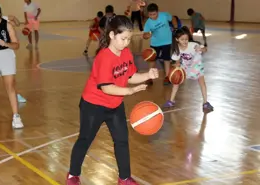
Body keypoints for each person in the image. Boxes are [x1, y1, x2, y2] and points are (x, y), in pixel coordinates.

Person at [66, 15, 159, 185]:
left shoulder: (126, 53)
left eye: (129, 39)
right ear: (111, 35)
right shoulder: (104, 57)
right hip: (93, 105)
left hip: (115, 105)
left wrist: (147, 75)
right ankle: (73, 175)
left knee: (122, 140)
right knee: (85, 139)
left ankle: (124, 178)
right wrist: (130, 91)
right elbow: (107, 87)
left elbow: (130, 75)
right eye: (123, 38)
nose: (126, 42)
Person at [163, 26, 213, 112]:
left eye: (186, 39)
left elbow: (205, 49)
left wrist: (201, 49)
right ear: (177, 39)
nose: (185, 41)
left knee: (202, 82)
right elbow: (178, 61)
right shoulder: (176, 49)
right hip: (185, 67)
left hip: (196, 65)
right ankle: (171, 101)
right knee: (176, 82)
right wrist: (176, 65)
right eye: (182, 39)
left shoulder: (193, 45)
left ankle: (205, 102)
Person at [143, 3, 177, 85]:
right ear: (148, 14)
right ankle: (149, 77)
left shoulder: (164, 15)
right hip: (155, 43)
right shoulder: (148, 22)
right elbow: (145, 35)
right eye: (150, 14)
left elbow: (173, 18)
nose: (152, 16)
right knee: (152, 60)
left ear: (158, 12)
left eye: (154, 14)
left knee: (166, 59)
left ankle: (167, 77)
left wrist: (175, 27)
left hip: (167, 41)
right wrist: (147, 35)